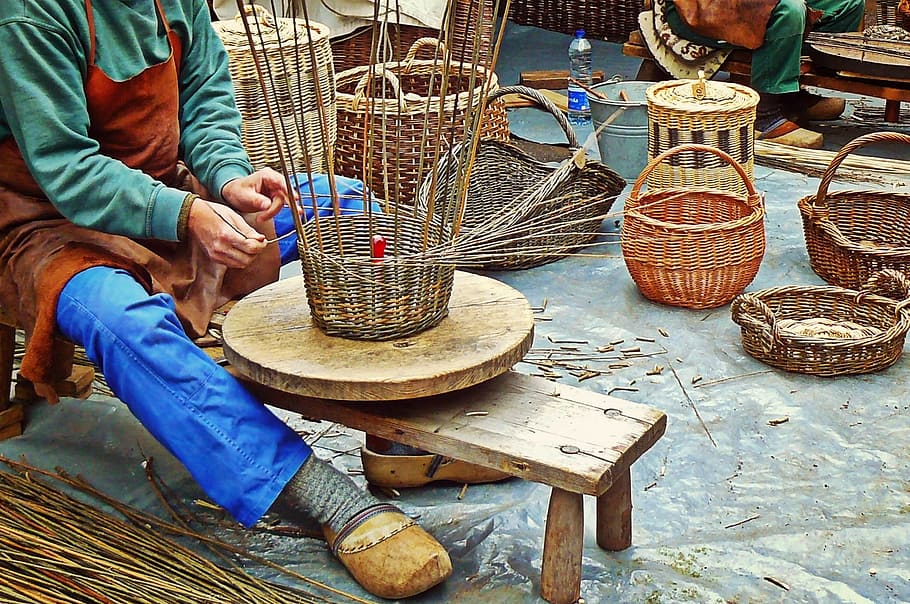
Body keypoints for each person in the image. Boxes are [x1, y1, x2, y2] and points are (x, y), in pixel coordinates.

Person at [0, 0, 451, 599]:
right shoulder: (29, 15)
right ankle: (321, 496)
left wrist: (228, 180)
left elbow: (208, 99)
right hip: (46, 224)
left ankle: (407, 435)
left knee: (351, 210)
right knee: (121, 322)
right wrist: (187, 215)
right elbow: (68, 168)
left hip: (166, 199)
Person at [663, 0, 865, 148]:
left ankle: (788, 96)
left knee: (849, 4)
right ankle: (763, 116)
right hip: (703, 8)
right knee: (789, 11)